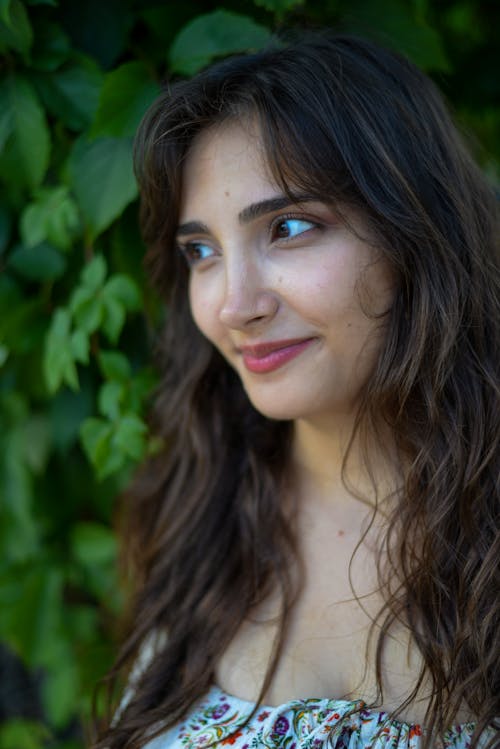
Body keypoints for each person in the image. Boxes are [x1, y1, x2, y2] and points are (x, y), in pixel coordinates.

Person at [94, 31, 499, 749]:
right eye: (202, 252)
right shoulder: (195, 508)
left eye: (287, 227)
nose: (232, 304)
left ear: (414, 233)